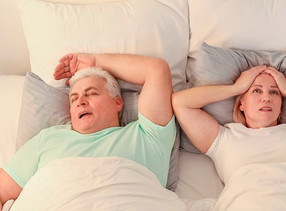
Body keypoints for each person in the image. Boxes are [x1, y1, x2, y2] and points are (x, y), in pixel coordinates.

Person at [0, 53, 176, 209]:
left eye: (91, 93)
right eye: (74, 98)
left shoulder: (147, 135)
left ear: (117, 103)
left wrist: (95, 61)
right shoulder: (48, 139)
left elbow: (156, 69)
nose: (80, 102)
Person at [172, 65, 286, 210]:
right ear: (241, 104)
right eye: (256, 91)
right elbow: (181, 102)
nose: (266, 98)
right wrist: (236, 88)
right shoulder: (223, 138)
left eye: (274, 92)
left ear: (281, 103)